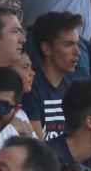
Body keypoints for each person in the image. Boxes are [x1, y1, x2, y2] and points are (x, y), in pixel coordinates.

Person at [22, 11, 82, 140]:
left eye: (77, 44)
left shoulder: (71, 88)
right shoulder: (30, 87)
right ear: (46, 49)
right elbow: (38, 147)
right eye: (68, 45)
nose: (77, 52)